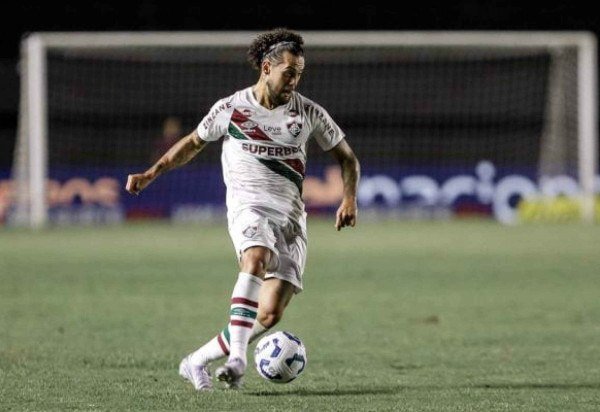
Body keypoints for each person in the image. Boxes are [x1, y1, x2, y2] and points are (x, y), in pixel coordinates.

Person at [125, 28, 360, 391]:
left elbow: (348, 158)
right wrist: (151, 173)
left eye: (299, 74)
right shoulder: (232, 108)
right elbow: (192, 143)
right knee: (256, 257)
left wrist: (349, 198)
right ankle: (237, 359)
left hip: (291, 219)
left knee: (269, 313)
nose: (294, 81)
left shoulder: (309, 112)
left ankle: (196, 360)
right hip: (249, 207)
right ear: (266, 68)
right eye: (289, 73)